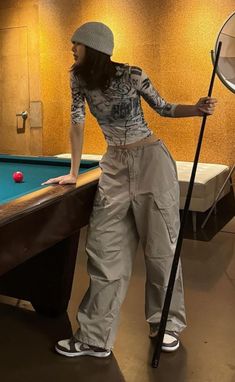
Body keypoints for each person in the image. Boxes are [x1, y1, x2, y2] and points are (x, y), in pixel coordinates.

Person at [42, 21, 217, 358]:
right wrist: (73, 172)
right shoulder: (77, 78)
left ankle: (165, 324)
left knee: (162, 249)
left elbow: (163, 107)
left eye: (75, 44)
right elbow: (76, 121)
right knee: (104, 250)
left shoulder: (133, 75)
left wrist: (195, 109)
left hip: (151, 159)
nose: (71, 49)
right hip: (114, 166)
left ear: (93, 47)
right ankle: (94, 337)